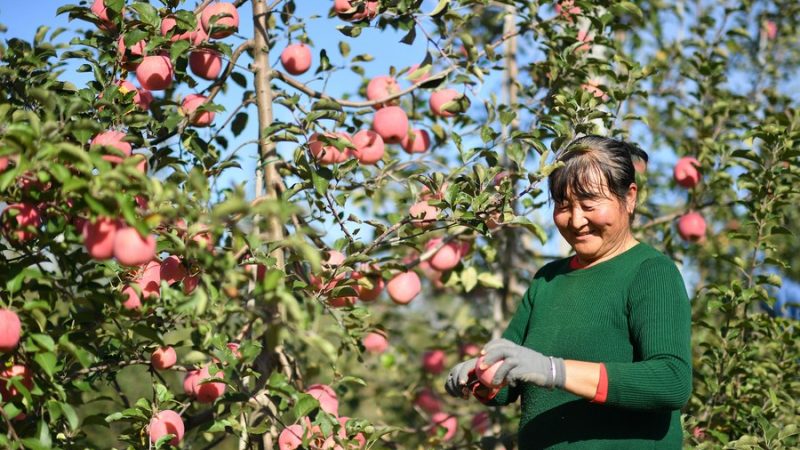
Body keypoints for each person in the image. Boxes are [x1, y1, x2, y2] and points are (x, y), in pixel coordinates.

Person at [445, 135, 692, 449]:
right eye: (563, 205)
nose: (576, 220)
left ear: (629, 198)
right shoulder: (547, 280)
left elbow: (671, 380)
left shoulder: (650, 272)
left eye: (589, 205)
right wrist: (480, 374)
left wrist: (554, 371)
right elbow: (510, 380)